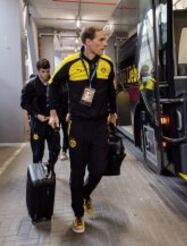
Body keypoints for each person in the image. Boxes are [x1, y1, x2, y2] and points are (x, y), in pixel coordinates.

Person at [48, 27, 117, 234]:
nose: (105, 44)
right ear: (88, 41)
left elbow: (112, 91)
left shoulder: (107, 64)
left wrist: (113, 112)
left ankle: (85, 194)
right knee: (76, 172)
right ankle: (78, 214)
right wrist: (53, 112)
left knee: (98, 169)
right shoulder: (70, 63)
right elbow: (52, 84)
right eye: (101, 40)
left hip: (99, 126)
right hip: (77, 125)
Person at [20, 58, 60, 168]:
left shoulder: (54, 83)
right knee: (37, 152)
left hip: (52, 122)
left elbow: (61, 100)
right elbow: (24, 103)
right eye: (43, 71)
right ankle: (37, 175)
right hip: (37, 123)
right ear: (38, 71)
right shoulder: (30, 85)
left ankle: (49, 168)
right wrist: (36, 115)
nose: (46, 74)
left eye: (48, 71)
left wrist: (58, 115)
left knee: (56, 149)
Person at [58, 82, 69, 161]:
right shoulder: (60, 83)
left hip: (75, 111)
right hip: (62, 112)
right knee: (65, 132)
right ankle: (64, 151)